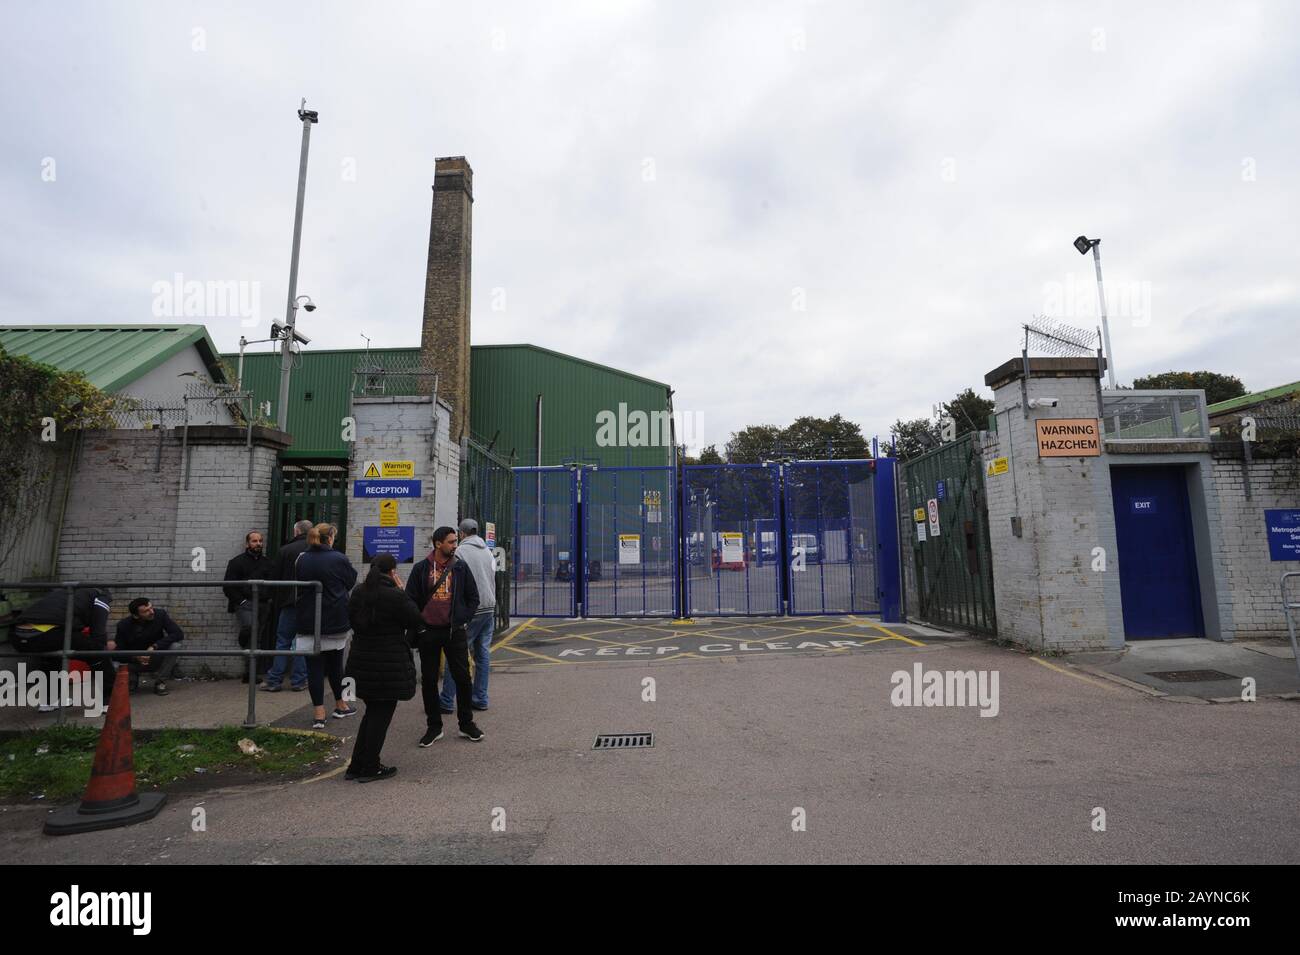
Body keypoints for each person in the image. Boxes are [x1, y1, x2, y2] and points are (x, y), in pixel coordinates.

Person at [344, 553, 422, 782]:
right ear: (393, 572)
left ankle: (356, 765)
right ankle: (370, 767)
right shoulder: (395, 596)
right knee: (380, 717)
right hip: (388, 664)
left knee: (371, 713)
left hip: (361, 661)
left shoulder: (359, 591)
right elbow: (415, 619)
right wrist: (403, 591)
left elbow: (351, 617)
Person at [406, 526, 484, 746]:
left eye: (455, 541)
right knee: (429, 680)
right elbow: (410, 599)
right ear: (438, 543)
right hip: (428, 632)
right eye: (450, 542)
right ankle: (434, 726)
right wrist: (420, 625)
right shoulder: (421, 569)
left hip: (454, 631)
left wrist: (462, 619)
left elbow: (473, 597)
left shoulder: (460, 567)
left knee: (463, 678)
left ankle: (466, 724)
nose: (454, 545)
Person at [295, 522, 359, 730]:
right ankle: (340, 704)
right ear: (330, 538)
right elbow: (350, 581)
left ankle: (319, 713)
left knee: (313, 667)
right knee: (335, 665)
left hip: (307, 618)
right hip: (334, 617)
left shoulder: (302, 559)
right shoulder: (338, 558)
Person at [11, 587, 114, 711]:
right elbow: (98, 630)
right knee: (98, 654)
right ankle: (110, 702)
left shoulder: (63, 593)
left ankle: (50, 700)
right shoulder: (101, 596)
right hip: (47, 633)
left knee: (53, 657)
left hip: (17, 636)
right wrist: (100, 650)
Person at [439, 518, 495, 712]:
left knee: (456, 655)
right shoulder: (487, 551)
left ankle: (446, 700)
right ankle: (480, 698)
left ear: (461, 534)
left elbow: (452, 580)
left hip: (470, 610)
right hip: (489, 608)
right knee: (483, 655)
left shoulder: (460, 552)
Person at [262, 519, 312, 692]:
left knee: (283, 640)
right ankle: (299, 680)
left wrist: (273, 599)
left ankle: (274, 680)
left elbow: (275, 578)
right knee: (302, 641)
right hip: (309, 603)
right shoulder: (315, 549)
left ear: (296, 532)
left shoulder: (285, 550)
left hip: (289, 602)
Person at [223, 531, 274, 684]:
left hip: (263, 604)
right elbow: (228, 586)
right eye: (254, 541)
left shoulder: (267, 562)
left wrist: (269, 598)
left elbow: (272, 583)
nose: (258, 543)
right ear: (247, 544)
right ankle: (243, 640)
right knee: (251, 629)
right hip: (245, 604)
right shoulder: (236, 562)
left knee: (256, 639)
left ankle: (250, 673)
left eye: (260, 541)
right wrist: (242, 602)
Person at [113, 598, 183, 696]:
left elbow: (178, 634)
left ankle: (160, 682)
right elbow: (118, 653)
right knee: (114, 664)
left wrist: (154, 646)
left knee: (175, 646)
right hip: (135, 662)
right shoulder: (123, 625)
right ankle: (132, 679)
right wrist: (135, 657)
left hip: (155, 657)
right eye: (146, 611)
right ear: (135, 615)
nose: (152, 612)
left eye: (151, 607)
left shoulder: (160, 615)